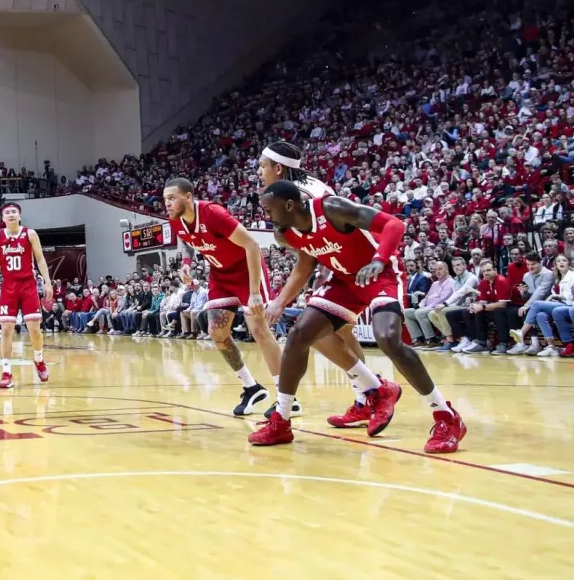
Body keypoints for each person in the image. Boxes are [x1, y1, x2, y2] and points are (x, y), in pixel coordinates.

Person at [251, 181, 466, 454]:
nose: (265, 215)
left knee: (387, 338)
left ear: (289, 205)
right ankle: (281, 420)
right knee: (299, 334)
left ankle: (447, 416)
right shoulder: (286, 233)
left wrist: (379, 259)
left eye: (268, 209)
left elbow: (394, 226)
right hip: (344, 282)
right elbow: (305, 265)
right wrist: (280, 302)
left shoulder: (331, 208)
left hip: (380, 275)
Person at [257, 140, 378, 420]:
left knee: (320, 330)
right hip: (338, 259)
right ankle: (367, 396)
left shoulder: (301, 197)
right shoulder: (308, 184)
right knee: (339, 331)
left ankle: (373, 393)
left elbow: (308, 258)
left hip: (347, 262)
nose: (259, 172)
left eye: (263, 166)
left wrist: (282, 299)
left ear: (278, 168)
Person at [164, 178, 278, 416]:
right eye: (165, 199)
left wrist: (255, 291)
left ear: (188, 197)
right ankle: (252, 387)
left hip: (247, 272)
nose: (168, 203)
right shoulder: (175, 221)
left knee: (259, 330)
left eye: (172, 198)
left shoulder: (213, 214)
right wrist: (186, 263)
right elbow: (186, 242)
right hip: (220, 274)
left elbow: (252, 246)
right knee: (216, 332)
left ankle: (288, 395)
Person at [0, 202, 53, 389]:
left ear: (19, 216)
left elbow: (39, 258)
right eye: (7, 212)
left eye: (14, 212)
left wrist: (47, 282)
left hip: (28, 284)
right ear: (2, 218)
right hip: (9, 285)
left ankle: (39, 359)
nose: (11, 215)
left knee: (34, 329)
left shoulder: (30, 234)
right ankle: (6, 372)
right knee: (6, 329)